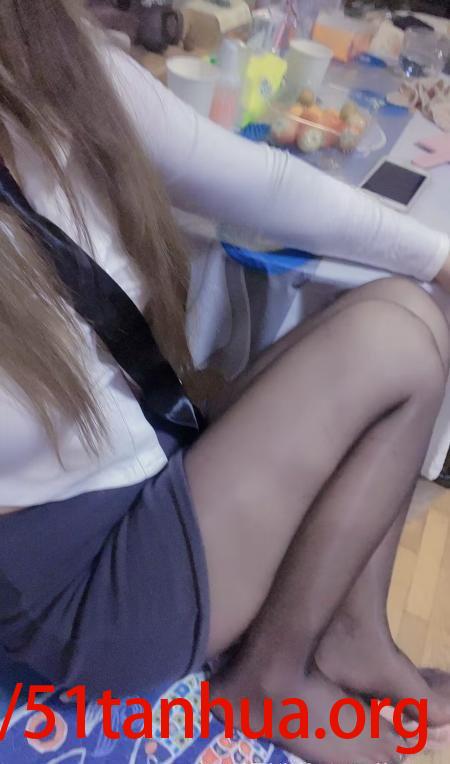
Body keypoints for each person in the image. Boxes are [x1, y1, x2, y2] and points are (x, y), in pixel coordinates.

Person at [1, 2, 450, 762]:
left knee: (411, 310)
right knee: (395, 345)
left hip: (149, 450)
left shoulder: (44, 56)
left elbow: (258, 181)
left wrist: (438, 258)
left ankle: (352, 634)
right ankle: (268, 676)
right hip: (77, 584)